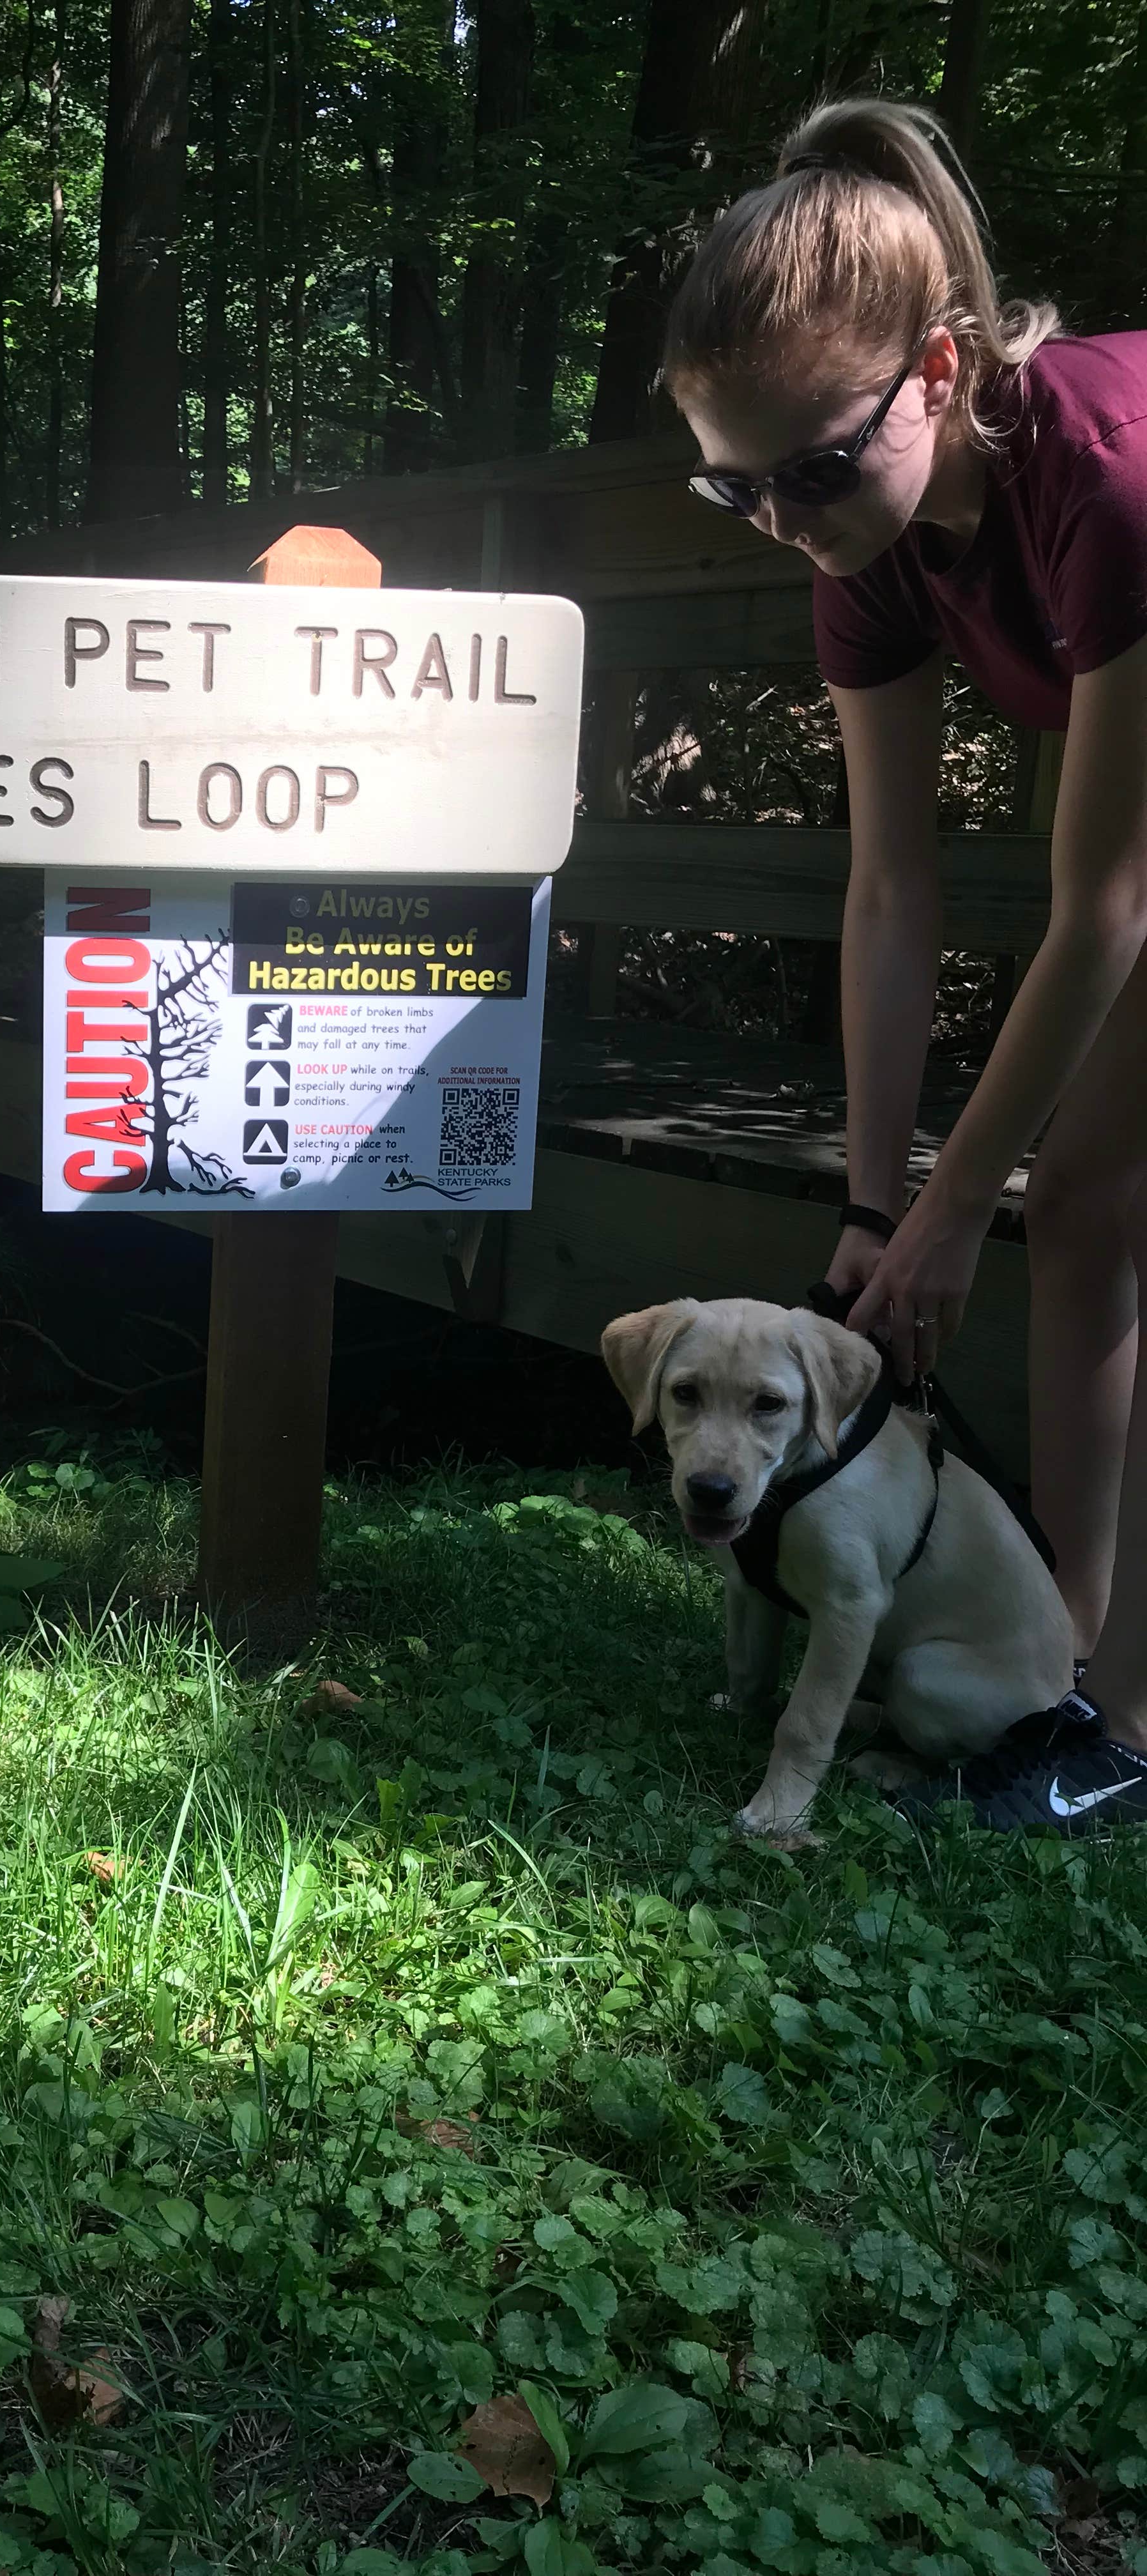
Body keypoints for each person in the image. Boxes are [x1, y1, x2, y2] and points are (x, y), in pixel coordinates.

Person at [660, 96, 1147, 1829]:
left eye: (808, 469)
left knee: (1096, 1193)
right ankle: (1067, 1692)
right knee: (1087, 1207)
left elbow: (1104, 908)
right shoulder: (866, 548)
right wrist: (877, 1214)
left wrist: (956, 1212)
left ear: (939, 369)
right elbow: (891, 892)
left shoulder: (1108, 474)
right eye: (738, 484)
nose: (781, 519)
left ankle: (1122, 1707)